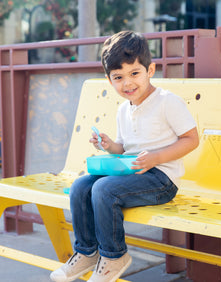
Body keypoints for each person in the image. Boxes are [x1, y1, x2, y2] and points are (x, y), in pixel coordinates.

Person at [50, 30, 199, 282]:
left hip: (162, 179)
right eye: (118, 77)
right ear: (110, 80)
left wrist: (156, 157)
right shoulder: (123, 109)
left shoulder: (166, 102)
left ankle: (114, 256)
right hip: (133, 173)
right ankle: (86, 252)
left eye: (134, 74)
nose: (127, 83)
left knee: (104, 189)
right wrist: (110, 145)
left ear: (150, 71)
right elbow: (125, 149)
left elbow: (191, 139)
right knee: (80, 186)